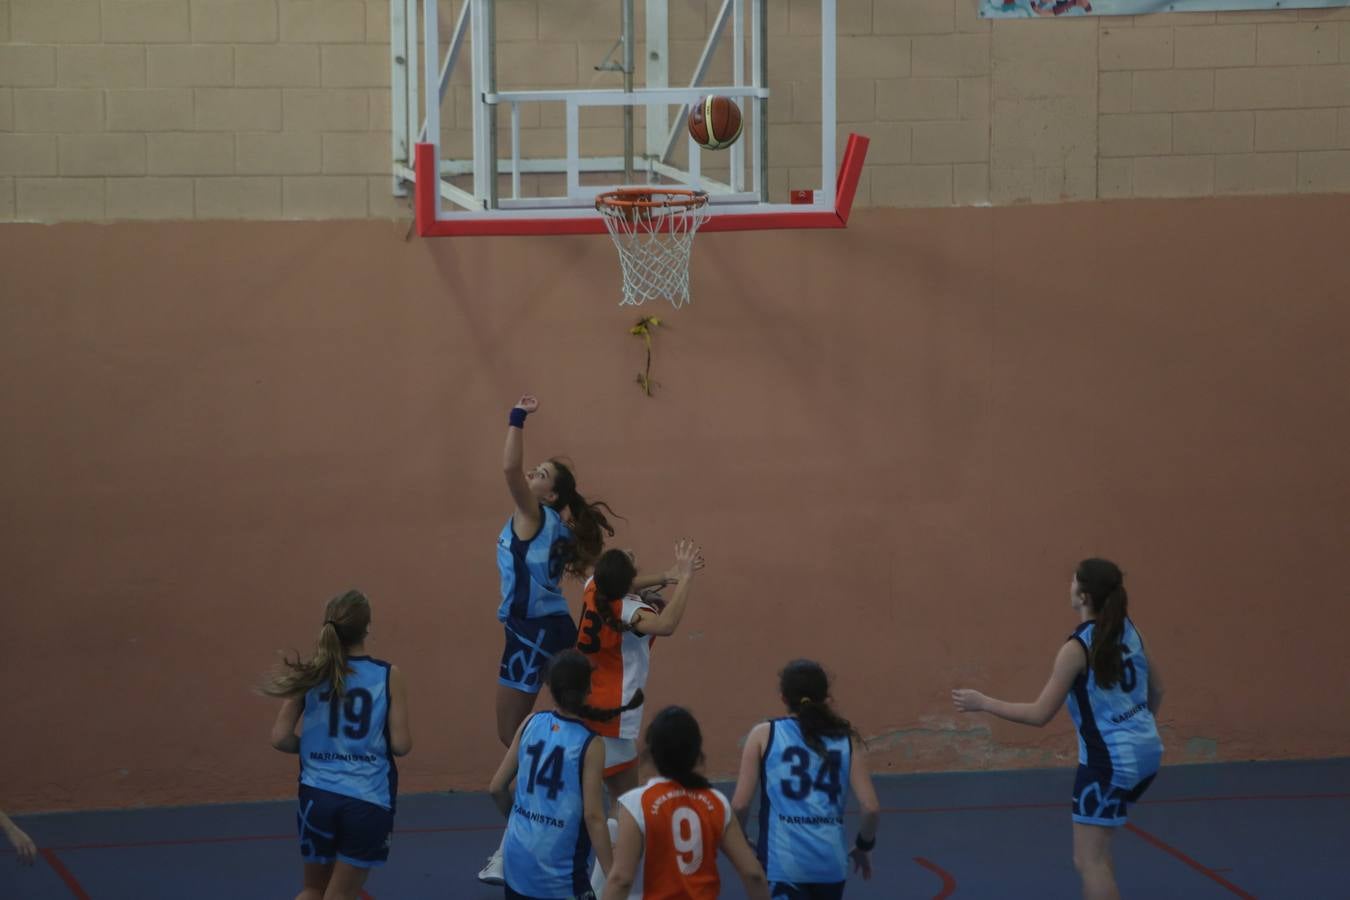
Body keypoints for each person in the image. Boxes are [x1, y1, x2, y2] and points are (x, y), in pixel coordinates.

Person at [952, 558, 1165, 900]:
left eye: (1072, 582)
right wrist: (1139, 730)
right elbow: (1158, 690)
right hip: (1148, 751)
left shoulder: (1076, 648)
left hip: (1108, 762)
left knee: (1088, 861)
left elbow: (1039, 714)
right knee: (1100, 850)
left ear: (1083, 596)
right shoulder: (1131, 630)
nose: (1068, 587)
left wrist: (984, 702)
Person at [484, 393, 619, 884]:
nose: (531, 476)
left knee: (516, 738)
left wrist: (516, 418)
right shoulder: (557, 525)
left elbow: (507, 470)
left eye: (541, 474)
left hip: (533, 634)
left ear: (548, 495)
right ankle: (578, 816)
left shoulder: (534, 516)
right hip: (540, 630)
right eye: (536, 470)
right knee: (539, 735)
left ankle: (541, 829)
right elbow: (597, 577)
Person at [265, 590, 412, 900]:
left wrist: (315, 747)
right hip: (366, 799)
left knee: (312, 890)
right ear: (367, 628)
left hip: (316, 797)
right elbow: (400, 745)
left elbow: (280, 737)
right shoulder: (387, 675)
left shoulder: (311, 673)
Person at [489, 649, 638, 900]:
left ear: (550, 687)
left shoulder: (530, 723)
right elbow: (593, 816)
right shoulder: (590, 744)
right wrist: (614, 874)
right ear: (588, 691)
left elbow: (496, 788)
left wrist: (519, 819)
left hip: (516, 862)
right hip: (557, 873)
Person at [730, 660, 880, 899]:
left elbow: (739, 804)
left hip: (783, 865)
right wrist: (864, 845)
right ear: (826, 697)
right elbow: (871, 807)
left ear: (783, 697)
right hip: (830, 864)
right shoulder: (846, 739)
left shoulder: (764, 734)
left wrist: (740, 839)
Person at [577, 539, 703, 797]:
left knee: (600, 793)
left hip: (586, 699)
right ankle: (615, 838)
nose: (630, 552)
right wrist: (686, 578)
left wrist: (667, 576)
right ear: (625, 584)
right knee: (624, 799)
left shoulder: (593, 588)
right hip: (614, 713)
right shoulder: (631, 612)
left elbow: (624, 585)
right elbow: (666, 625)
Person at [602, 706, 770, 900]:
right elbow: (753, 874)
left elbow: (621, 879)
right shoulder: (716, 802)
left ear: (652, 753)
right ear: (697, 753)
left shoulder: (636, 803)